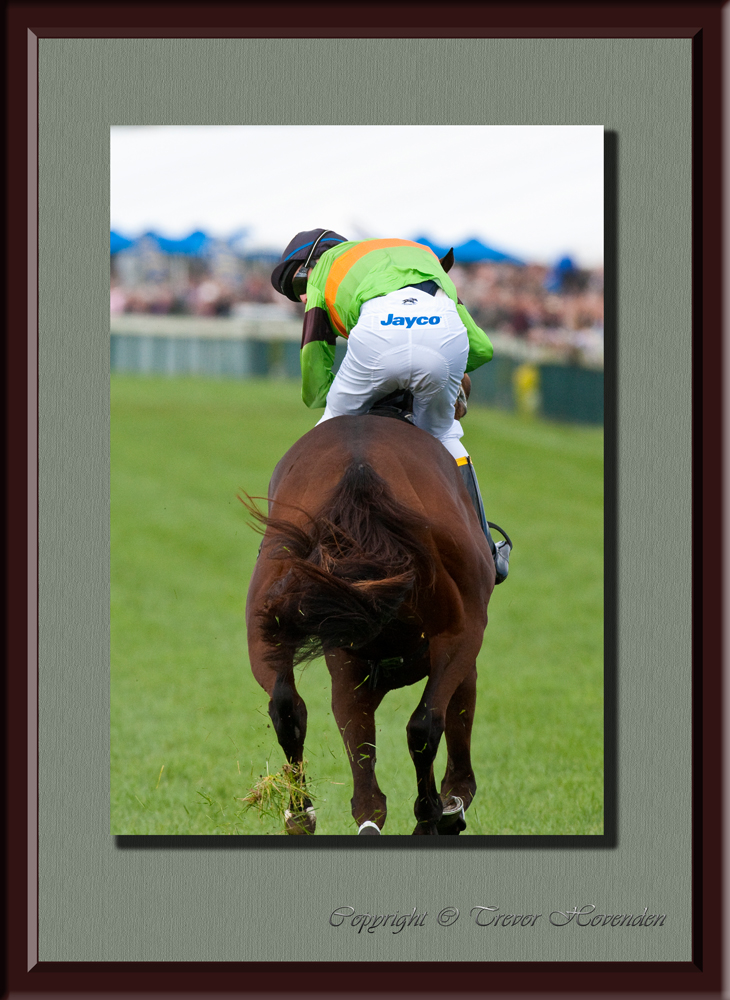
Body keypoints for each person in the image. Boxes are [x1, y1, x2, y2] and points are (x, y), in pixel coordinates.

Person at [270, 228, 510, 583]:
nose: (303, 297)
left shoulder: (327, 268)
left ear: (312, 263)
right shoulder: (418, 252)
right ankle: (486, 549)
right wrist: (443, 373)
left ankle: (291, 552)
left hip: (375, 340)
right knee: (444, 437)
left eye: (298, 285)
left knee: (326, 433)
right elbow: (482, 349)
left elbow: (313, 361)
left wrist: (326, 400)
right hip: (445, 338)